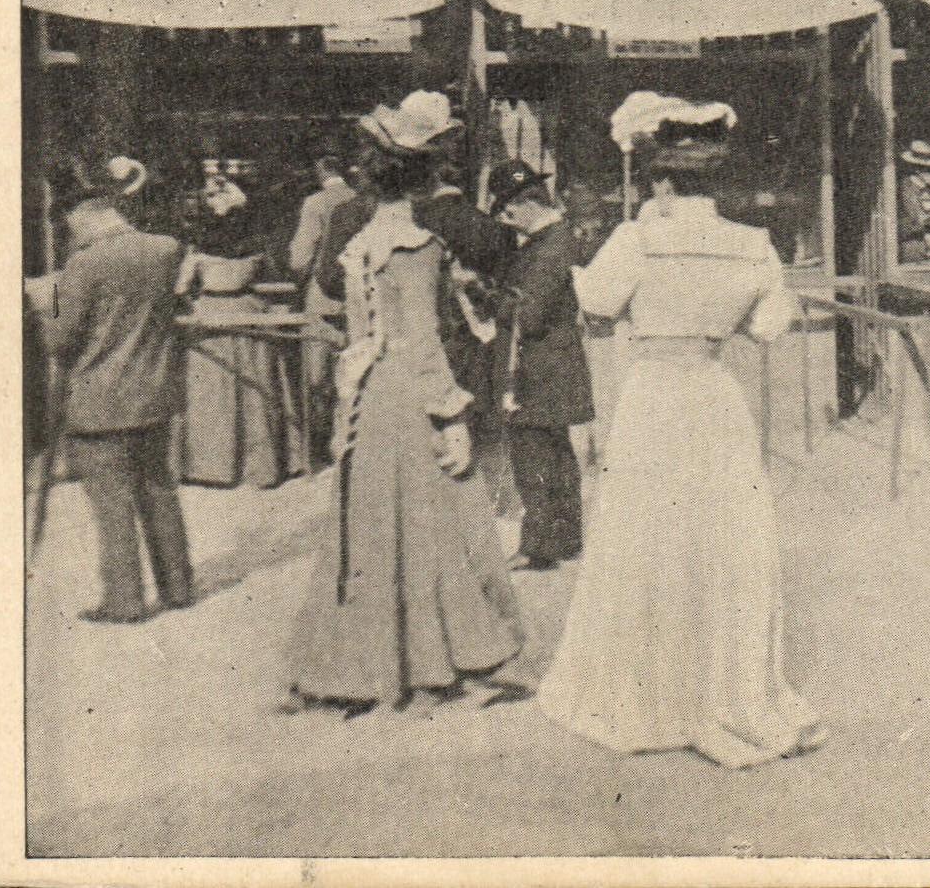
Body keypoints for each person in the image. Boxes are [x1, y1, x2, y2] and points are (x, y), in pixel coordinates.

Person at [538, 135, 826, 770]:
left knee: (647, 532)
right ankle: (728, 688)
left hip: (653, 396)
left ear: (662, 186)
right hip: (714, 393)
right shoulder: (753, 243)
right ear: (715, 187)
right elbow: (770, 326)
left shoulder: (637, 238)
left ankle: (653, 693)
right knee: (724, 535)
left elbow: (596, 302)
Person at [285, 92, 531, 717]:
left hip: (365, 398)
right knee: (440, 523)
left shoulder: (359, 241)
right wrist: (453, 416)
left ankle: (361, 665)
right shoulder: (418, 245)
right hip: (409, 397)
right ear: (425, 176)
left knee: (369, 528)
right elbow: (422, 342)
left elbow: (354, 321)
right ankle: (438, 660)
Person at [38, 173, 194, 622]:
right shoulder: (164, 249)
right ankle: (178, 587)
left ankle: (125, 601)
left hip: (99, 402)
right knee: (158, 490)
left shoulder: (83, 265)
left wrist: (45, 299)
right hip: (153, 393)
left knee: (112, 505)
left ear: (78, 219)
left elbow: (59, 340)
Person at [488, 164, 595, 571]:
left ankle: (538, 547)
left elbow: (527, 316)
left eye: (509, 210)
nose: (506, 219)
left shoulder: (547, 248)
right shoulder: (555, 240)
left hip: (537, 367)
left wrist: (485, 295)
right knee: (557, 452)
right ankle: (566, 537)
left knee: (532, 455)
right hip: (556, 363)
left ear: (527, 203)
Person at [178, 162, 305, 488]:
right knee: (256, 387)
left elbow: (181, 287)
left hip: (211, 312)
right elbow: (272, 276)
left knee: (212, 390)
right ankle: (262, 465)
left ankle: (213, 466)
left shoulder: (198, 252)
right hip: (248, 308)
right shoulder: (256, 250)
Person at [288, 137, 360, 465]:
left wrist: (298, 280)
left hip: (323, 296)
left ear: (318, 170)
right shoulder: (362, 200)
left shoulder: (315, 203)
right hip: (356, 295)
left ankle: (317, 449)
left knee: (316, 376)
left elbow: (300, 258)